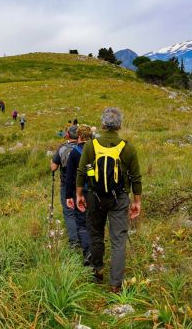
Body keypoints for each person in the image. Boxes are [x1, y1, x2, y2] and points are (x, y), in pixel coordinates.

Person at [75, 107, 142, 294]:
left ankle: (97, 270)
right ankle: (115, 285)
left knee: (95, 233)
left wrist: (79, 194)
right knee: (118, 240)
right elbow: (136, 177)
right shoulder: (127, 147)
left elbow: (81, 172)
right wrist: (137, 201)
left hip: (94, 196)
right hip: (119, 198)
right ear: (119, 125)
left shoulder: (90, 145)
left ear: (103, 123)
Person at [65, 125, 93, 262]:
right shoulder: (97, 150)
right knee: (94, 222)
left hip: (80, 192)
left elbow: (69, 177)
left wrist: (68, 196)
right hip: (96, 192)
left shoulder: (75, 153)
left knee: (81, 222)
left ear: (79, 137)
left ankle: (88, 251)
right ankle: (97, 252)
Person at [50, 126, 79, 248]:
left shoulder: (62, 148)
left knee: (69, 213)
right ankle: (84, 236)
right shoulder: (83, 148)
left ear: (67, 135)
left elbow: (53, 168)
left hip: (66, 184)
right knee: (82, 210)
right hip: (82, 185)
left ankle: (74, 241)